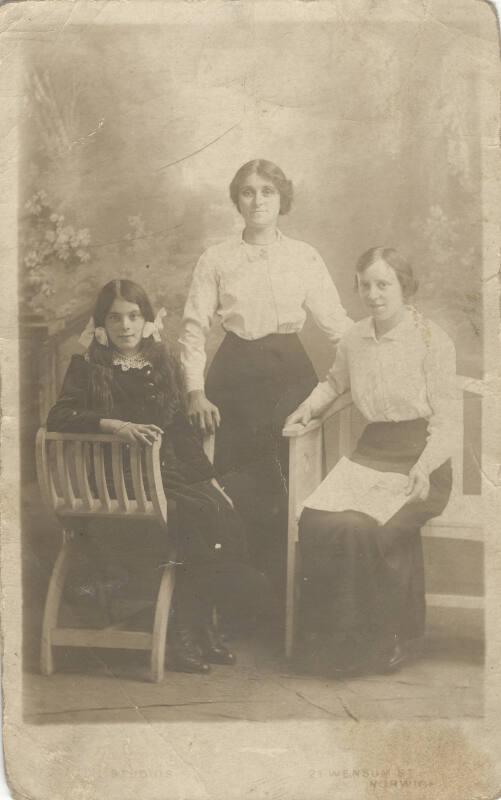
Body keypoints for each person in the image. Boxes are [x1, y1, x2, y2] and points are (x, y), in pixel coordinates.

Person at [47, 279, 273, 675]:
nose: (125, 326)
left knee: (219, 511)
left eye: (134, 316)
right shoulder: (87, 366)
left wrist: (211, 480)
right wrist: (114, 425)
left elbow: (180, 429)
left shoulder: (160, 362)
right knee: (193, 516)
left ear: (147, 321)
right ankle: (180, 635)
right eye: (114, 318)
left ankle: (199, 627)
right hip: (117, 483)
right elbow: (59, 416)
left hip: (163, 475)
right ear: (101, 325)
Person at [285, 247, 457, 676]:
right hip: (371, 453)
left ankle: (390, 638)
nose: (374, 294)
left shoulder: (431, 339)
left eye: (384, 284)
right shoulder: (354, 338)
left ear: (404, 286)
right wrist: (307, 409)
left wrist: (424, 466)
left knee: (366, 526)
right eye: (366, 286)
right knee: (319, 518)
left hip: (421, 460)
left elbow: (448, 420)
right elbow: (334, 382)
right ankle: (331, 644)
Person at [179, 159, 352, 581]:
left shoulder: (304, 256)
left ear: (281, 198)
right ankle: (238, 598)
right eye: (248, 192)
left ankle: (288, 597)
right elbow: (193, 330)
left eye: (267, 191)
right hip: (233, 381)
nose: (257, 201)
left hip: (290, 378)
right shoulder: (216, 258)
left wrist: (383, 352)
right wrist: (195, 392)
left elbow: (337, 324)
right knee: (236, 487)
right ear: (237, 200)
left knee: (292, 487)